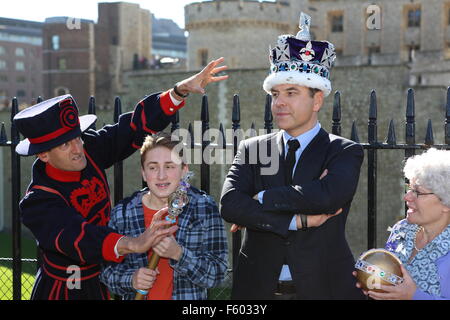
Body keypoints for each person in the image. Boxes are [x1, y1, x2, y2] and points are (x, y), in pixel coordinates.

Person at [13, 58, 228, 300]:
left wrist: (179, 91)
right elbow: (81, 237)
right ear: (43, 154)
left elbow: (134, 127)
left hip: (102, 282)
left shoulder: (88, 149)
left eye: (77, 137)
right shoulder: (37, 202)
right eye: (66, 143)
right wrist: (136, 244)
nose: (77, 148)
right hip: (64, 290)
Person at [220, 13, 365, 300]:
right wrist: (297, 220)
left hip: (325, 289)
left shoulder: (344, 150)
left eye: (291, 92)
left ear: (317, 99)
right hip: (256, 290)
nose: (279, 102)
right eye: (275, 94)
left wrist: (261, 199)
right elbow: (229, 205)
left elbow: (327, 197)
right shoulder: (252, 148)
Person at [100, 132, 228, 299]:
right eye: (153, 167)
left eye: (169, 166)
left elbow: (218, 273)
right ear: (144, 174)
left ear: (184, 170)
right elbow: (105, 270)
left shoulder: (203, 208)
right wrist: (131, 279)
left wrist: (179, 254)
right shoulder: (123, 213)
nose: (161, 175)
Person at [357, 148, 450, 300]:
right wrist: (371, 278)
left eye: (418, 192)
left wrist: (413, 296)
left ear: (446, 203)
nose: (407, 197)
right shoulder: (402, 230)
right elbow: (390, 279)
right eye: (409, 188)